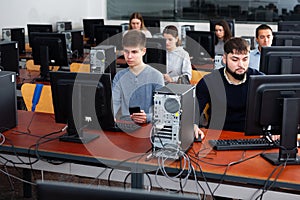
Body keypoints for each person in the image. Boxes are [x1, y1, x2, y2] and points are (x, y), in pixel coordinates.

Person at [195, 37, 263, 138]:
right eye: (235, 59)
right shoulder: (209, 81)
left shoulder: (260, 81)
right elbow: (194, 111)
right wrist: (193, 125)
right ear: (224, 59)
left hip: (251, 137)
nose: (241, 65)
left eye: (245, 59)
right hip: (218, 136)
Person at [112, 30, 164, 124]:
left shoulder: (157, 76)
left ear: (143, 51)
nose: (129, 56)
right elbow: (114, 103)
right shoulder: (119, 76)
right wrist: (111, 117)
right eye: (126, 52)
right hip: (126, 124)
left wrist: (148, 117)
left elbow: (162, 112)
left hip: (149, 126)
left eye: (134, 52)